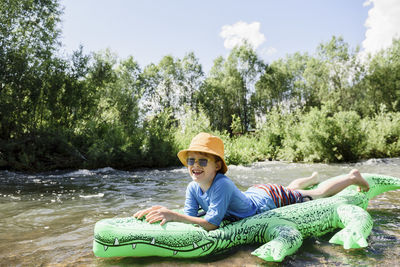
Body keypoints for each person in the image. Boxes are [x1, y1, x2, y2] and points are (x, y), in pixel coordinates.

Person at [134, 132, 370, 231]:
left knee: (316, 196)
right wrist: (168, 215)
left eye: (203, 161)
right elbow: (190, 216)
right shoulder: (192, 187)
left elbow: (211, 224)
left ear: (217, 165)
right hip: (256, 192)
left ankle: (351, 177)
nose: (195, 165)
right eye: (191, 161)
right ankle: (307, 178)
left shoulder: (222, 184)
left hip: (268, 199)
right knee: (294, 189)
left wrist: (174, 215)